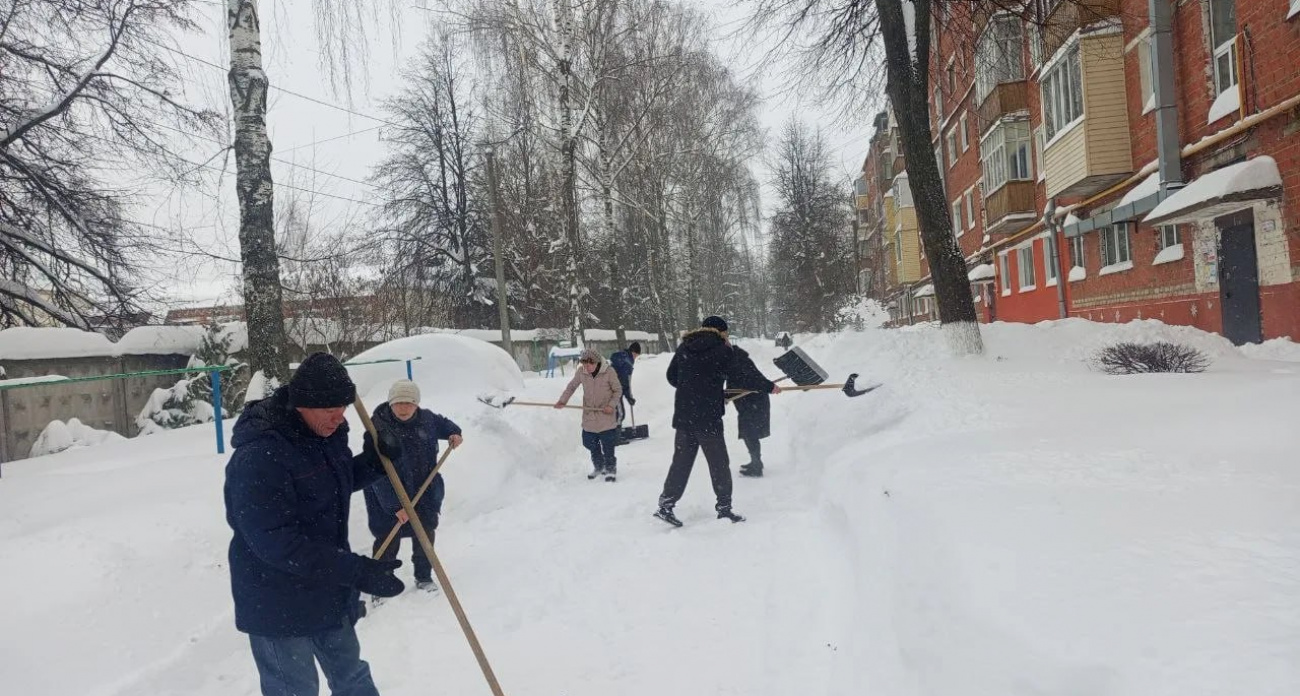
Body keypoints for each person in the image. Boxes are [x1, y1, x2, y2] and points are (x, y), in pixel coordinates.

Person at [224, 352, 405, 696]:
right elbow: (277, 543)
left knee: (352, 678)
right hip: (277, 598)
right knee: (295, 689)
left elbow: (332, 483)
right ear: (302, 404)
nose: (339, 417)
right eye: (329, 409)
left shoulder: (326, 433)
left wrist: (376, 462)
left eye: (343, 407)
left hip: (325, 589)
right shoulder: (259, 457)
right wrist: (355, 571)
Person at [654, 316, 779, 527]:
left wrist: (692, 387)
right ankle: (724, 509)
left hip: (685, 416)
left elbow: (672, 376)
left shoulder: (685, 347)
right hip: (708, 418)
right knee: (719, 463)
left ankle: (665, 505)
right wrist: (769, 387)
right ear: (721, 332)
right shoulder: (722, 350)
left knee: (681, 462)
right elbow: (745, 376)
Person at [363, 379, 463, 597]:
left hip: (424, 489)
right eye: (398, 403)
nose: (403, 408)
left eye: (409, 403)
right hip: (387, 493)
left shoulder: (427, 419)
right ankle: (381, 584)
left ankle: (424, 576)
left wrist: (454, 433)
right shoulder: (377, 428)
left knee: (425, 533)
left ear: (416, 404)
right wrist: (394, 506)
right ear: (391, 403)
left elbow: (447, 426)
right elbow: (374, 472)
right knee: (388, 538)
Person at [555, 348, 623, 481]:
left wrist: (611, 405)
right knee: (589, 442)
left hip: (605, 415)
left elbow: (618, 390)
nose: (587, 367)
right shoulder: (582, 372)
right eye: (584, 364)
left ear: (596, 362)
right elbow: (571, 387)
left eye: (589, 364)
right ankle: (599, 466)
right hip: (589, 415)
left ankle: (610, 469)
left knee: (608, 445)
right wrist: (563, 401)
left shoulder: (609, 372)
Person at [730, 344, 775, 478]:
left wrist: (770, 387)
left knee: (750, 433)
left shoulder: (739, 361)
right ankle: (755, 462)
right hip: (747, 402)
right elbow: (735, 383)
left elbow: (754, 380)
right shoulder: (733, 360)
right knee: (748, 433)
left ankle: (756, 466)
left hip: (755, 402)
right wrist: (727, 395)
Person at [609, 341, 641, 438]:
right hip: (613, 390)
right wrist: (629, 398)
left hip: (612, 389)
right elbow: (625, 383)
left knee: (617, 413)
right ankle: (616, 437)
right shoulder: (626, 363)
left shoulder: (622, 358)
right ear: (633, 352)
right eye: (636, 355)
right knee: (620, 414)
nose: (636, 357)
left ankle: (615, 434)